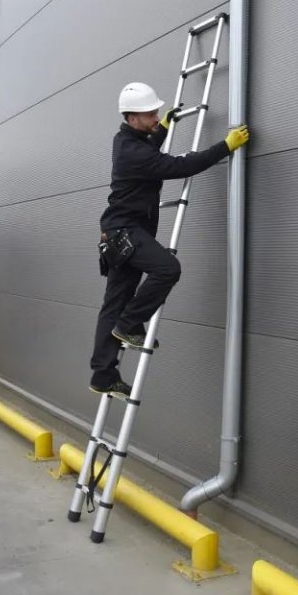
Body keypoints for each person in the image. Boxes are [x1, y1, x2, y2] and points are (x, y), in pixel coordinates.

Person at [89, 82, 250, 398]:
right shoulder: (134, 152)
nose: (155, 116)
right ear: (132, 118)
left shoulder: (127, 140)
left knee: (113, 305)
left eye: (156, 112)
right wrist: (225, 146)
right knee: (167, 269)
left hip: (118, 232)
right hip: (127, 231)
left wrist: (161, 128)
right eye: (151, 114)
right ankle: (130, 325)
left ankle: (102, 375)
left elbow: (148, 149)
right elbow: (179, 166)